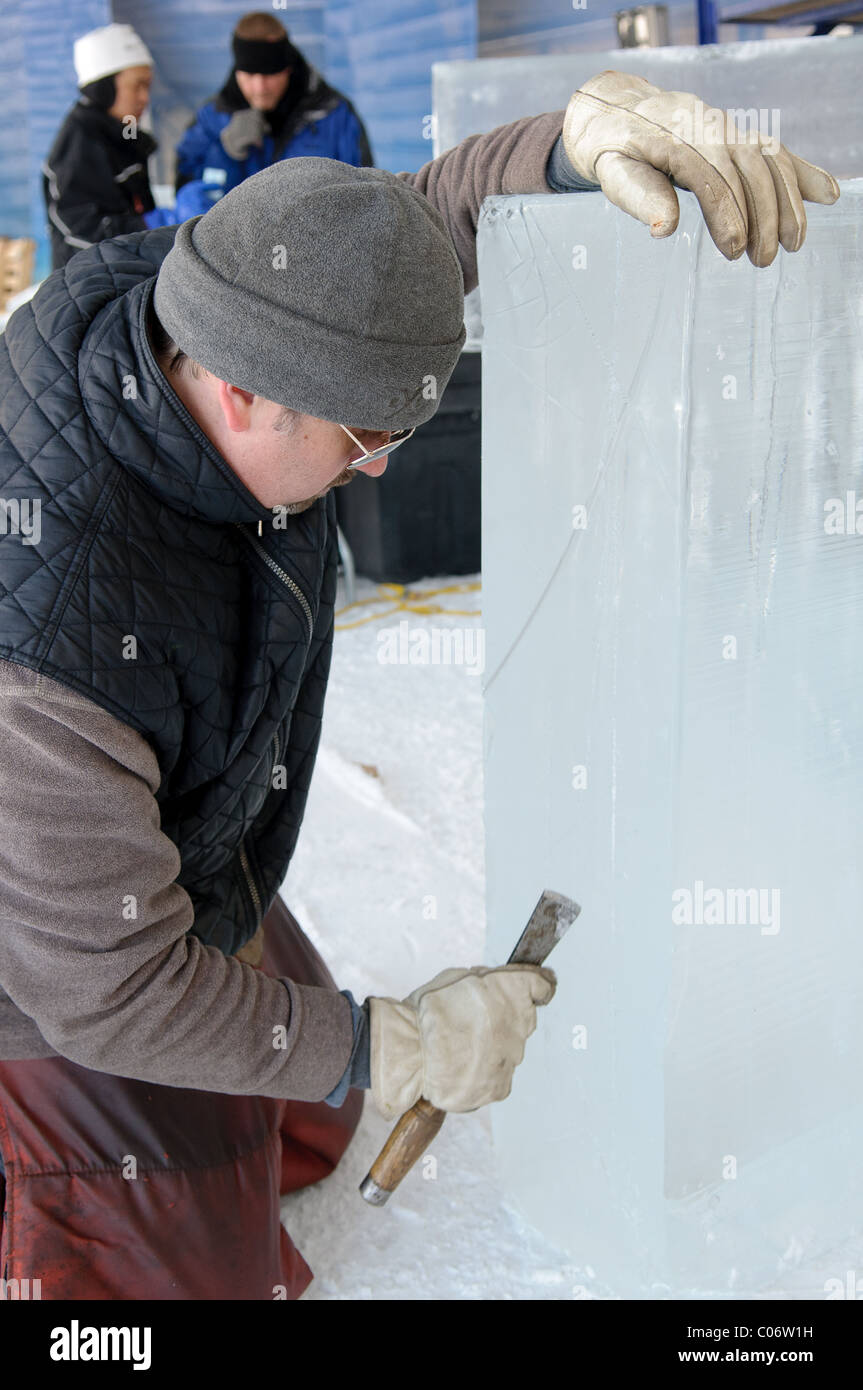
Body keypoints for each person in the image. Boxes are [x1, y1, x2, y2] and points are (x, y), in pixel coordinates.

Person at [0, 73, 839, 1299]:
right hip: (42, 970)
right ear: (240, 391)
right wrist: (383, 1039)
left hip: (157, 836)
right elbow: (111, 986)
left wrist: (562, 145)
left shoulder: (202, 295)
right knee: (161, 1286)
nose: (380, 474)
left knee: (307, 1119)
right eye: (362, 443)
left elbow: (392, 233)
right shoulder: (55, 640)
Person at [173, 10, 373, 219]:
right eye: (249, 75)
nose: (259, 87)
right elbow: (187, 199)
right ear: (237, 71)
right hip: (235, 248)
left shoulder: (333, 114)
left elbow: (366, 195)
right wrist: (224, 152)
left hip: (317, 246)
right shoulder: (210, 119)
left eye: (270, 74)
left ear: (287, 69)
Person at [42, 23, 170, 271]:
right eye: (137, 86)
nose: (145, 98)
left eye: (148, 86)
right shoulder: (78, 142)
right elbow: (81, 228)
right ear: (105, 88)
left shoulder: (126, 125)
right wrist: (149, 225)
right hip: (89, 285)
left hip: (129, 272)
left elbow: (134, 153)